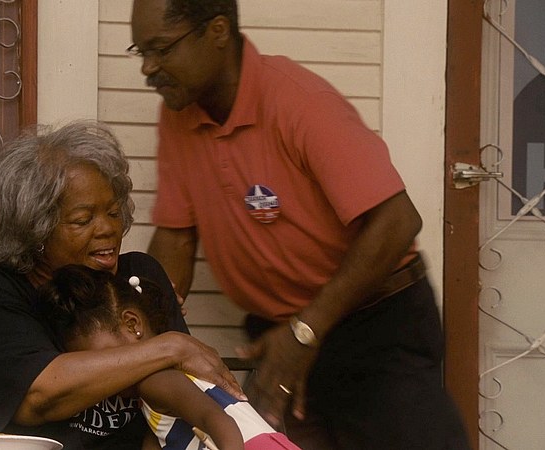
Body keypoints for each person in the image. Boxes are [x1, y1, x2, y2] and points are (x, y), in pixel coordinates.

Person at [128, 1, 471, 448]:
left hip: (374, 330)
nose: (148, 67)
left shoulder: (299, 100)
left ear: (217, 31)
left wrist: (304, 333)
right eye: (142, 52)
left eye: (162, 49)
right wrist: (142, 342)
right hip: (283, 336)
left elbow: (397, 221)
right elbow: (176, 238)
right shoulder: (179, 114)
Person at [0, 120, 242, 450]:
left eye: (113, 212)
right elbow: (39, 397)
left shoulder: (139, 273)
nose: (108, 229)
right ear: (34, 231)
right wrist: (170, 347)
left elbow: (181, 393)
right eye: (83, 219)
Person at [37, 264, 301, 450]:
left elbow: (218, 421)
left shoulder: (155, 379)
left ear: (132, 324)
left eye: (104, 359)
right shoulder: (154, 395)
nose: (103, 374)